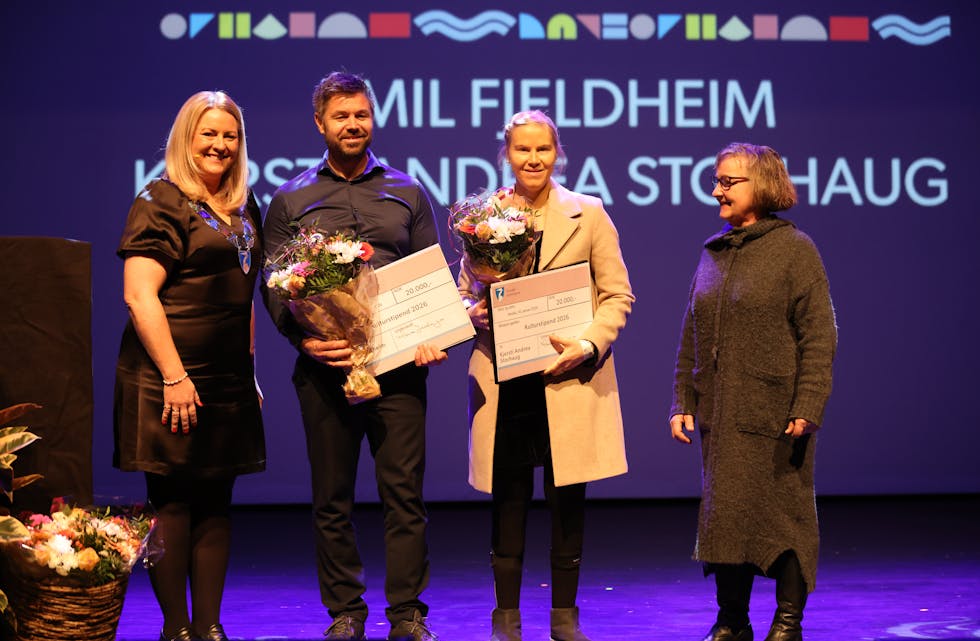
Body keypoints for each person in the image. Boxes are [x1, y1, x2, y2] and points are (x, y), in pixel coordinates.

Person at [262, 71, 445, 641]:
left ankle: (408, 612)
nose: (353, 125)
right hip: (325, 371)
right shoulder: (291, 198)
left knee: (404, 496)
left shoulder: (408, 192)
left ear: (373, 119)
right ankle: (345, 611)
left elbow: (431, 276)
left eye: (361, 114)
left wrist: (432, 332)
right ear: (320, 123)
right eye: (341, 116)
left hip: (397, 370)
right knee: (332, 498)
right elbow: (274, 289)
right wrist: (306, 340)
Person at [458, 110, 634, 641]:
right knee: (506, 503)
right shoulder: (483, 219)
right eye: (522, 150)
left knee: (566, 506)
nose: (533, 159)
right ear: (506, 154)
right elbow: (464, 291)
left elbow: (617, 294)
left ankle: (565, 618)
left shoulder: (590, 214)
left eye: (543, 150)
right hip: (506, 383)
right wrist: (473, 313)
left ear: (558, 154)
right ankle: (506, 619)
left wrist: (587, 344)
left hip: (567, 379)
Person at [669, 142, 837, 641]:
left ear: (761, 186)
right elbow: (690, 335)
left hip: (777, 415)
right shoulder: (713, 252)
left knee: (784, 519)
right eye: (717, 180)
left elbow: (819, 337)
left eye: (729, 181)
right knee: (725, 519)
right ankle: (732, 622)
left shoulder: (795, 250)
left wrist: (808, 405)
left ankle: (788, 623)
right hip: (722, 417)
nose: (717, 189)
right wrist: (683, 400)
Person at [113, 91, 265, 641]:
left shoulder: (245, 205)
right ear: (186, 138)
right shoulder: (161, 200)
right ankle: (175, 627)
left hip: (225, 379)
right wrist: (176, 379)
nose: (220, 145)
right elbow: (139, 296)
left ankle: (209, 625)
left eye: (229, 135)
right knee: (173, 501)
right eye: (209, 134)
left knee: (217, 502)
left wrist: (247, 373)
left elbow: (242, 296)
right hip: (167, 376)